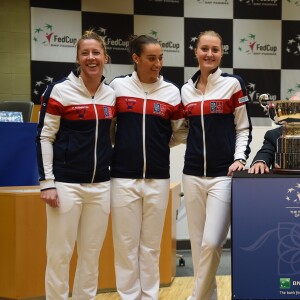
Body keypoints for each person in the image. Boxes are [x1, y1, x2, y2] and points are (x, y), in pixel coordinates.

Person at [36, 29, 116, 300]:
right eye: (85, 53)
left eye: (96, 53)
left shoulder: (110, 95)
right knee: (60, 255)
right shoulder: (59, 90)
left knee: (91, 257)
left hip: (100, 187)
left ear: (105, 57)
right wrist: (47, 182)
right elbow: (45, 136)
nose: (91, 58)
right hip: (66, 186)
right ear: (78, 58)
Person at [109, 34, 187, 300]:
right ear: (136, 58)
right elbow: (108, 129)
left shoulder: (171, 92)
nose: (158, 64)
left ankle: (150, 296)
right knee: (126, 246)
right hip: (122, 179)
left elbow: (180, 132)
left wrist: (158, 146)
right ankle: (129, 296)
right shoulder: (117, 87)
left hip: (158, 178)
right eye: (151, 58)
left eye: (161, 58)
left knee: (151, 246)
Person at [181, 30, 252, 300]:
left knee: (212, 243)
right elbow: (181, 130)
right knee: (199, 248)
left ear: (222, 53)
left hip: (223, 175)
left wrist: (239, 159)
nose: (209, 54)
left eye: (215, 49)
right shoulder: (185, 90)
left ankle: (194, 297)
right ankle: (208, 297)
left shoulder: (234, 84)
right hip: (192, 175)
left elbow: (243, 127)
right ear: (196, 52)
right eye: (204, 49)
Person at [248, 91, 300, 174]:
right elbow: (266, 152)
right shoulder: (274, 134)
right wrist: (260, 162)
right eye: (291, 109)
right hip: (283, 181)